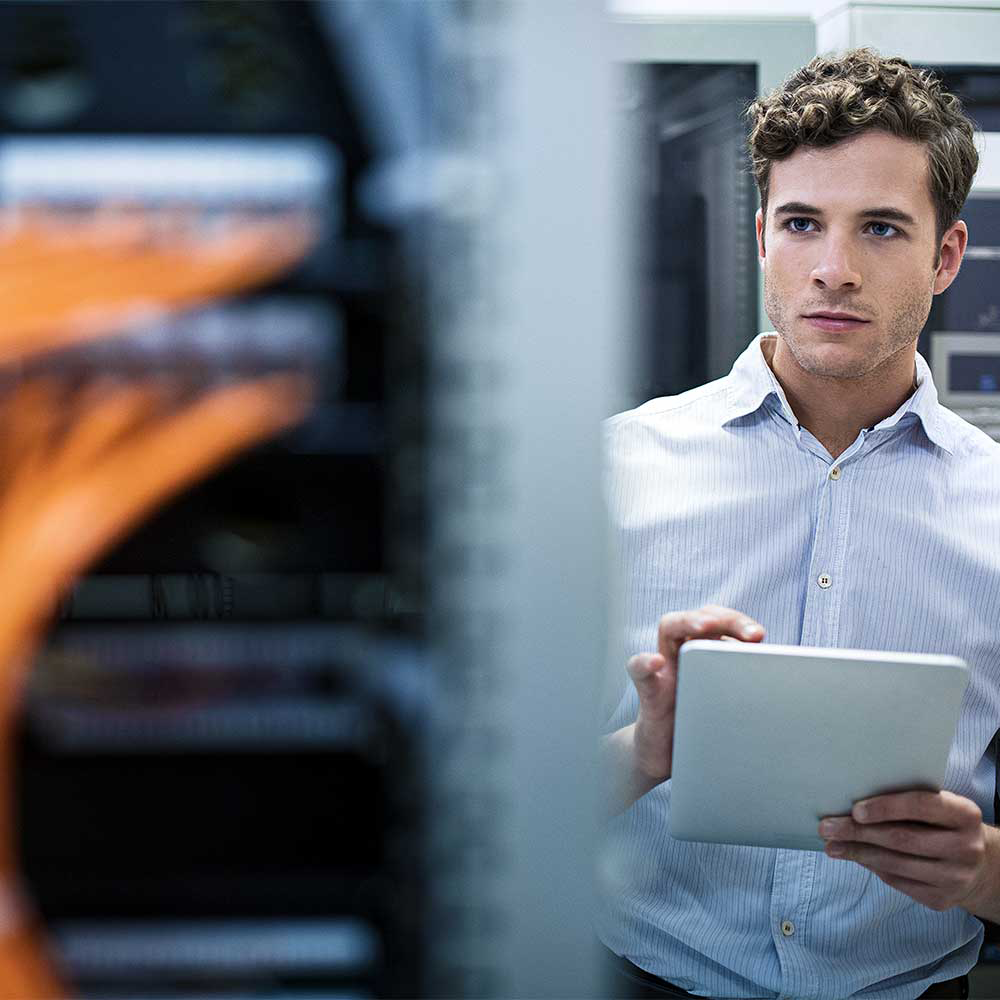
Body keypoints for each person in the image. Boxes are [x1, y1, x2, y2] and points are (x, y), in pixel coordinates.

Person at [599, 48, 999, 1000]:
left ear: (947, 255)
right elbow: (498, 816)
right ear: (762, 238)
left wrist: (982, 870)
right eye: (803, 223)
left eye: (883, 229)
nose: (835, 269)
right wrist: (644, 754)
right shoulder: (617, 472)